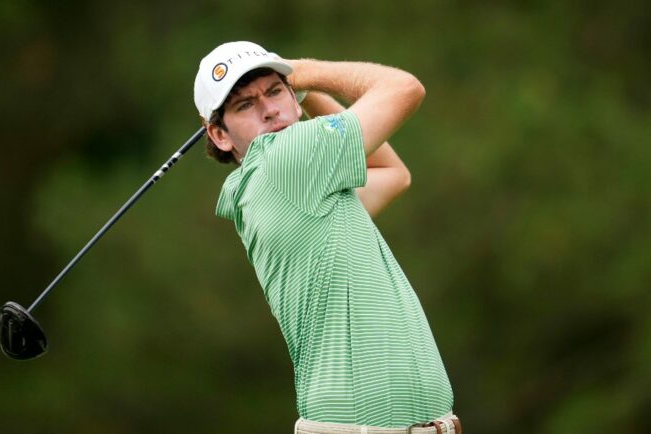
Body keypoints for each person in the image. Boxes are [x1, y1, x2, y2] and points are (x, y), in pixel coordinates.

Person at [194, 41, 459, 434]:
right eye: (244, 105)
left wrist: (307, 93)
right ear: (219, 135)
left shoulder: (287, 187)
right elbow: (405, 88)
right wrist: (305, 72)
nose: (269, 109)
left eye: (275, 91)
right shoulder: (285, 158)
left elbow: (391, 174)